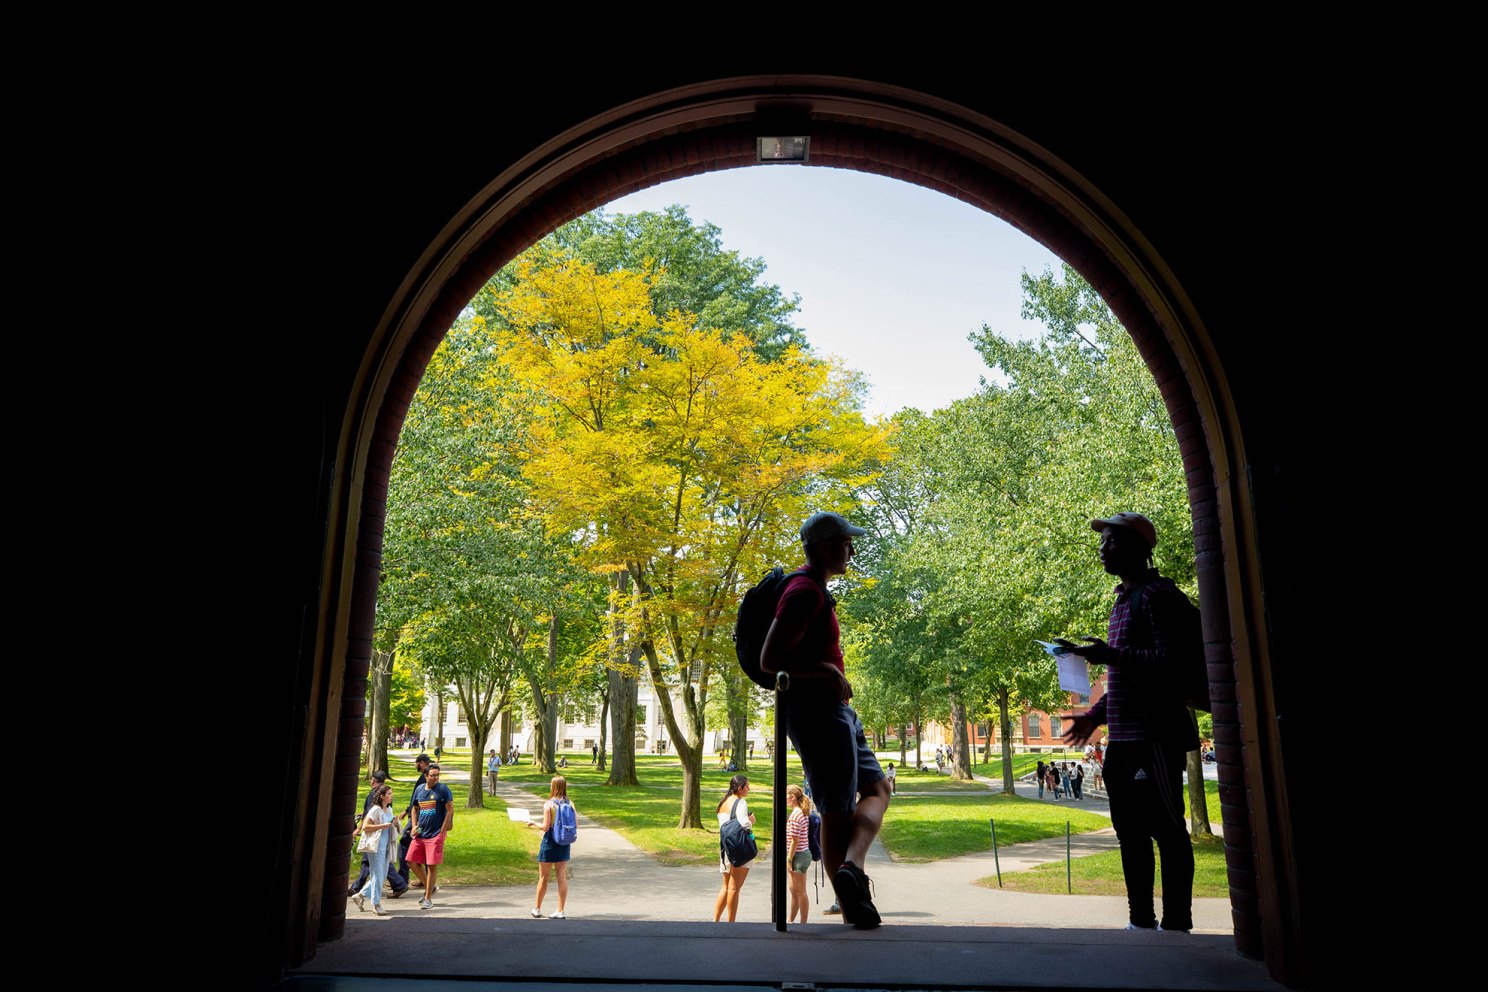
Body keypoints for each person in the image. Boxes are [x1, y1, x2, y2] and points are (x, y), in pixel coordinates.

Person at [1060, 511, 1199, 934]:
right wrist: (1093, 716)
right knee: (1130, 834)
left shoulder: (1158, 596)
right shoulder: (1123, 599)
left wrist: (1110, 656)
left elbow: (1170, 664)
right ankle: (1140, 921)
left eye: (1112, 541)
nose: (1102, 549)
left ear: (1140, 548)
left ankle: (1176, 926)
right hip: (1121, 740)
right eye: (1102, 542)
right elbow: (1124, 680)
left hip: (1154, 738)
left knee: (1169, 833)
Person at [760, 511, 890, 929]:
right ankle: (853, 906)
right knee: (836, 812)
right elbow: (770, 659)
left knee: (877, 787)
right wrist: (827, 672)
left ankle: (852, 869)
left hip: (838, 714)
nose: (851, 549)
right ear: (823, 547)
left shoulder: (815, 590)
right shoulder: (804, 592)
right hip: (818, 716)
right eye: (844, 542)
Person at [407, 763, 454, 910]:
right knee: (411, 861)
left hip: (435, 835)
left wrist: (442, 831)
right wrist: (414, 826)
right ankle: (430, 886)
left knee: (432, 866)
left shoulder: (443, 789)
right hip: (420, 833)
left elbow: (450, 810)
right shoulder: (420, 790)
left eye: (437, 775)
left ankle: (428, 898)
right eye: (433, 775)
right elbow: (414, 809)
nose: (436, 778)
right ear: (426, 776)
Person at [351, 784, 399, 916]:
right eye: (389, 794)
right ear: (382, 796)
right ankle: (376, 904)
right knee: (377, 875)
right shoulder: (375, 809)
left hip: (386, 846)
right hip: (375, 846)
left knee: (382, 875)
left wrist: (394, 822)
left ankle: (360, 894)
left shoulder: (388, 810)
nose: (391, 796)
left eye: (391, 793)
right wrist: (382, 825)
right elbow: (366, 827)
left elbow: (389, 825)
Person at [529, 775, 574, 919]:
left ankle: (537, 908)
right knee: (562, 877)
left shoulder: (549, 804)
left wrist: (533, 823)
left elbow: (545, 827)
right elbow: (576, 825)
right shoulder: (570, 803)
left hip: (550, 842)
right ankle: (560, 910)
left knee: (543, 877)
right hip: (563, 842)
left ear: (553, 787)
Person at [712, 775, 754, 923]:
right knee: (734, 888)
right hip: (739, 849)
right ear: (739, 788)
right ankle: (731, 923)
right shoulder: (740, 802)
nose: (749, 789)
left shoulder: (723, 803)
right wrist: (751, 821)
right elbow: (744, 823)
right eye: (747, 786)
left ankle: (715, 921)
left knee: (725, 887)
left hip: (725, 849)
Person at [399, 753, 432, 883]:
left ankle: (402, 879)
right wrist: (406, 810)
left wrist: (413, 822)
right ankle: (425, 879)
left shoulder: (425, 779)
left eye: (416, 763)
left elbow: (419, 802)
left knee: (404, 844)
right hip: (421, 818)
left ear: (421, 763)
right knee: (424, 847)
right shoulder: (426, 778)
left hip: (418, 819)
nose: (415, 765)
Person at [785, 784, 814, 924]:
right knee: (794, 892)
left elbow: (794, 841)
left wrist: (789, 859)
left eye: (786, 795)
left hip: (799, 856)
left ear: (792, 797)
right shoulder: (799, 812)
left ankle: (803, 923)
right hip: (799, 854)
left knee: (801, 892)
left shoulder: (796, 815)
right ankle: (790, 920)